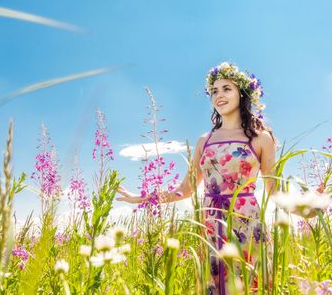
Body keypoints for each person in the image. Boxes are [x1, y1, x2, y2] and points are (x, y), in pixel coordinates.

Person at [116, 62, 277, 294]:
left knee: (251, 284)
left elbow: (273, 188)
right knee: (217, 285)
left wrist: (309, 207)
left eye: (226, 88)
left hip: (246, 220)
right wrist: (141, 198)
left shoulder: (261, 138)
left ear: (242, 94)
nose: (219, 95)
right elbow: (185, 189)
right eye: (214, 91)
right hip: (211, 223)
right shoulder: (205, 140)